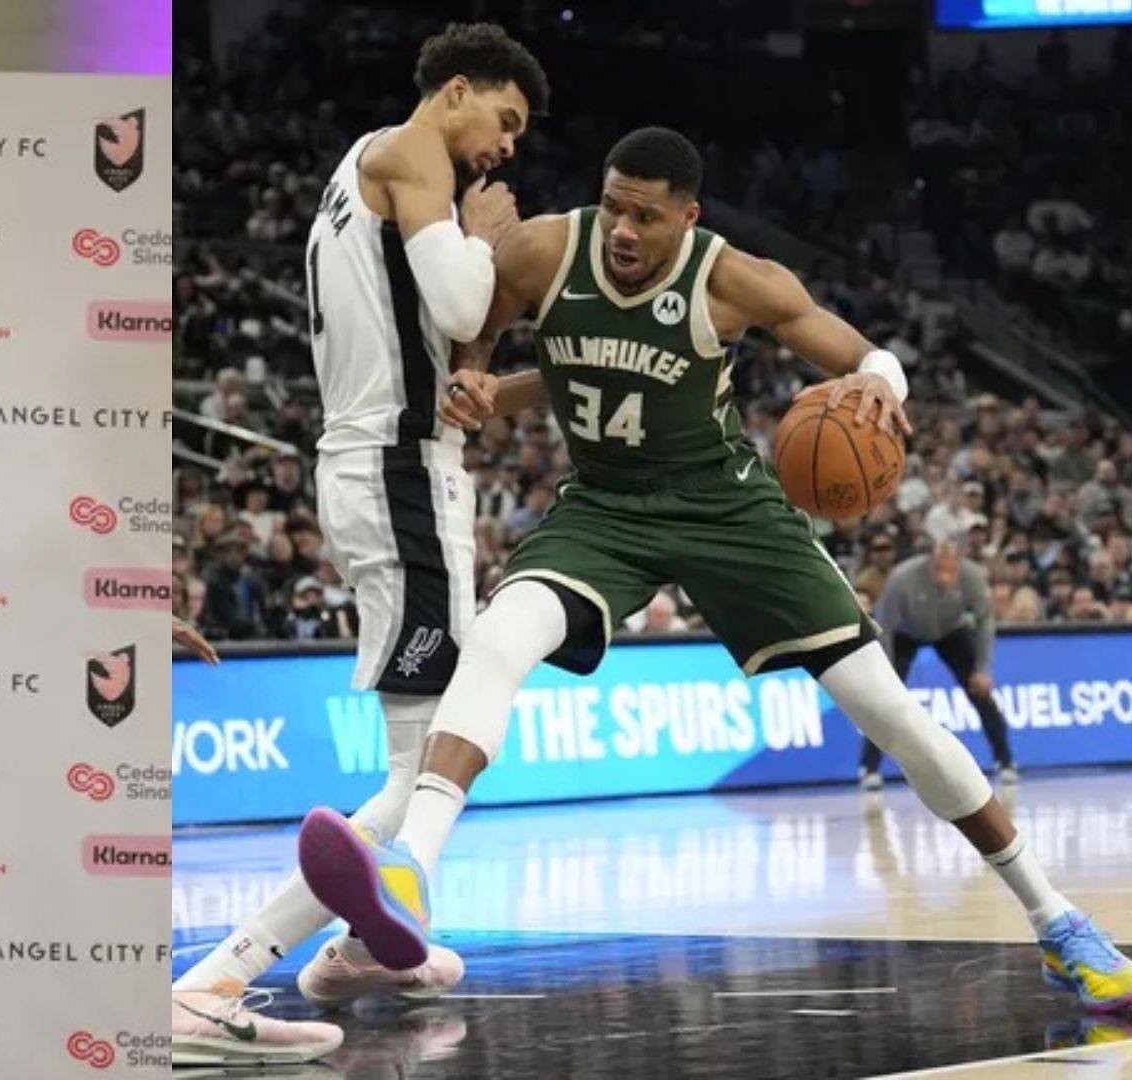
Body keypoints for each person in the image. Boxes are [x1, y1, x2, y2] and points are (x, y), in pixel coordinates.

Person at [296, 127, 1132, 1013]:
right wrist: (477, 382)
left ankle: (1058, 922)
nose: (621, 228)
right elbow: (485, 334)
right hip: (605, 506)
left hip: (728, 508)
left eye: (644, 216)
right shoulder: (544, 248)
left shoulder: (734, 278)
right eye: (613, 205)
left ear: (685, 219)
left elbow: (865, 355)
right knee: (498, 636)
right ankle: (414, 870)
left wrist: (884, 384)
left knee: (896, 718)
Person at [171, 21, 550, 1067]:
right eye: (504, 121)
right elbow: (469, 297)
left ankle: (354, 951)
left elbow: (447, 333)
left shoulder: (359, 166)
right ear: (457, 90)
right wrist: (485, 234)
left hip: (377, 464)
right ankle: (218, 977)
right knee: (424, 766)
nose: (506, 149)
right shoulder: (413, 151)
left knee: (428, 751)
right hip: (395, 474)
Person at [860, 539, 1018, 789]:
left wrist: (983, 669)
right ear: (930, 564)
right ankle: (869, 768)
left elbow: (986, 623)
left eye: (951, 571)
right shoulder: (903, 578)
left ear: (959, 566)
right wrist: (885, 672)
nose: (945, 577)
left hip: (950, 631)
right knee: (885, 700)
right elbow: (884, 625)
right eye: (940, 570)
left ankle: (1006, 761)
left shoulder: (974, 577)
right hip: (905, 632)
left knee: (981, 693)